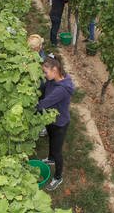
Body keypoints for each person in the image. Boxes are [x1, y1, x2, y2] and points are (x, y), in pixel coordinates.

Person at [37, 54, 74, 191]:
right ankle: (50, 158)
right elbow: (45, 88)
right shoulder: (54, 79)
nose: (44, 75)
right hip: (51, 120)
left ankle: (58, 177)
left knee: (58, 151)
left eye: (45, 72)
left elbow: (43, 104)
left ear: (54, 70)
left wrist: (30, 106)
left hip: (60, 123)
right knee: (51, 141)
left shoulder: (61, 90)